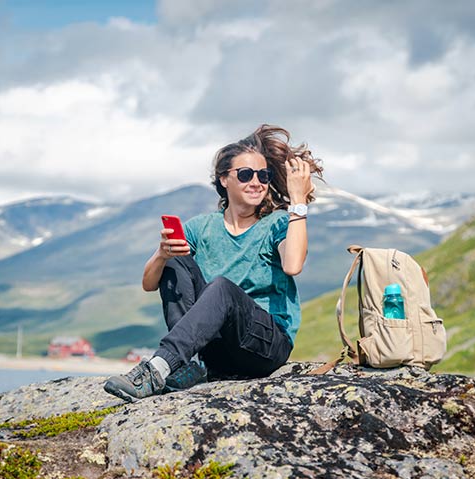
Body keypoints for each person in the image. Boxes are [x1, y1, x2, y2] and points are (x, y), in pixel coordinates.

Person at [104, 124, 323, 401]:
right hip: (218, 352)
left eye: (263, 175)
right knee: (175, 261)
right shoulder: (201, 227)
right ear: (223, 179)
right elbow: (149, 283)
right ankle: (188, 365)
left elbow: (293, 265)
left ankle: (158, 367)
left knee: (221, 289)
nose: (256, 182)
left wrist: (298, 202)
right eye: (245, 174)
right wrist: (161, 255)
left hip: (266, 346)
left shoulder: (279, 223)